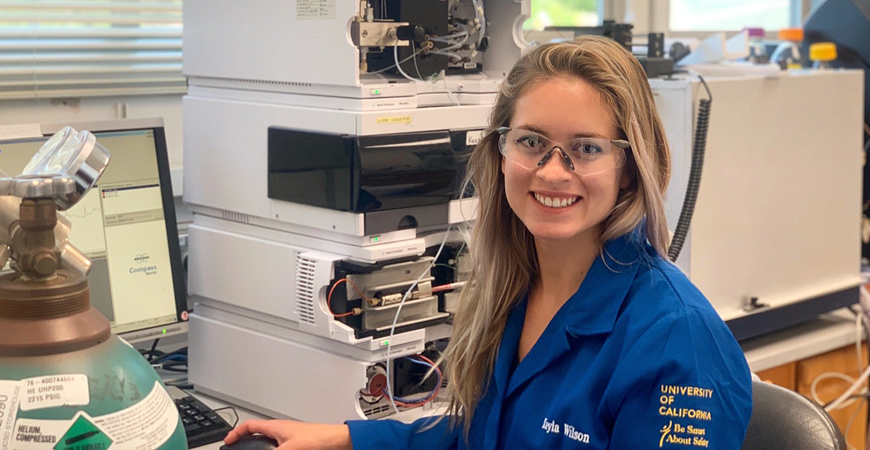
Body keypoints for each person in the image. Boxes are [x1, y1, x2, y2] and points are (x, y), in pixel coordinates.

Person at [224, 36, 753, 449]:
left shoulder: (676, 342)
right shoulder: (517, 284)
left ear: (630, 169)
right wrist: (343, 439)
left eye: (586, 148)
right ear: (500, 154)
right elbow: (486, 435)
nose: (552, 171)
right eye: (531, 141)